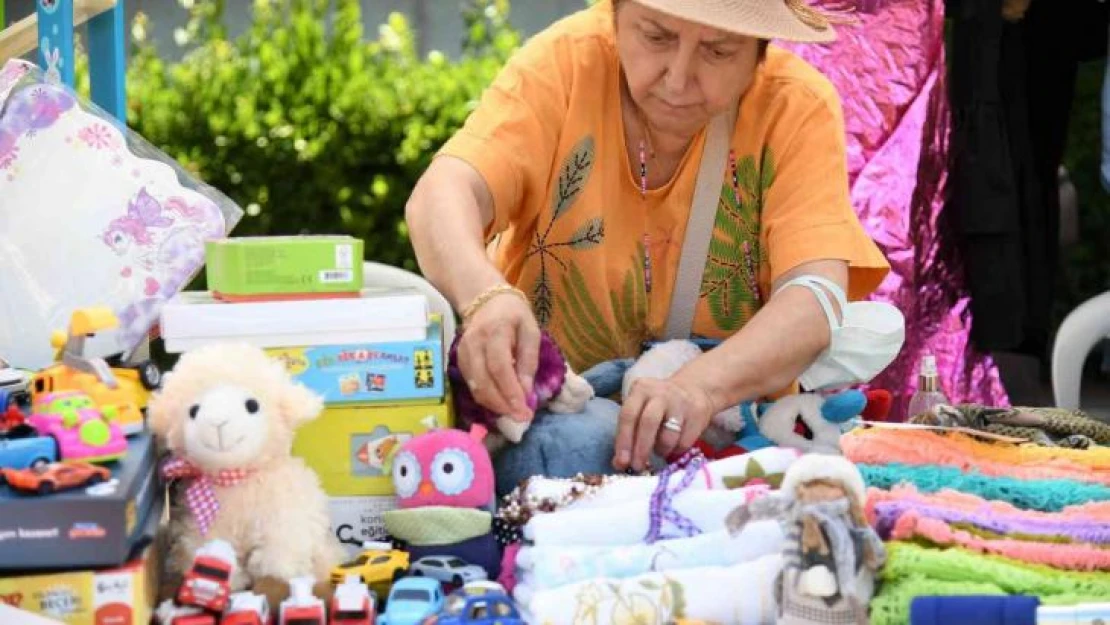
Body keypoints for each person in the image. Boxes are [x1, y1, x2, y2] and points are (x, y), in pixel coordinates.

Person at [405, 0, 890, 494]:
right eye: (656, 37)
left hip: (727, 458)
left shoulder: (796, 104)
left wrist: (698, 387)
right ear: (615, 15)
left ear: (761, 51)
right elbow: (441, 195)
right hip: (548, 443)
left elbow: (815, 297)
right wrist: (487, 297)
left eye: (718, 50)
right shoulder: (566, 62)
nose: (677, 79)